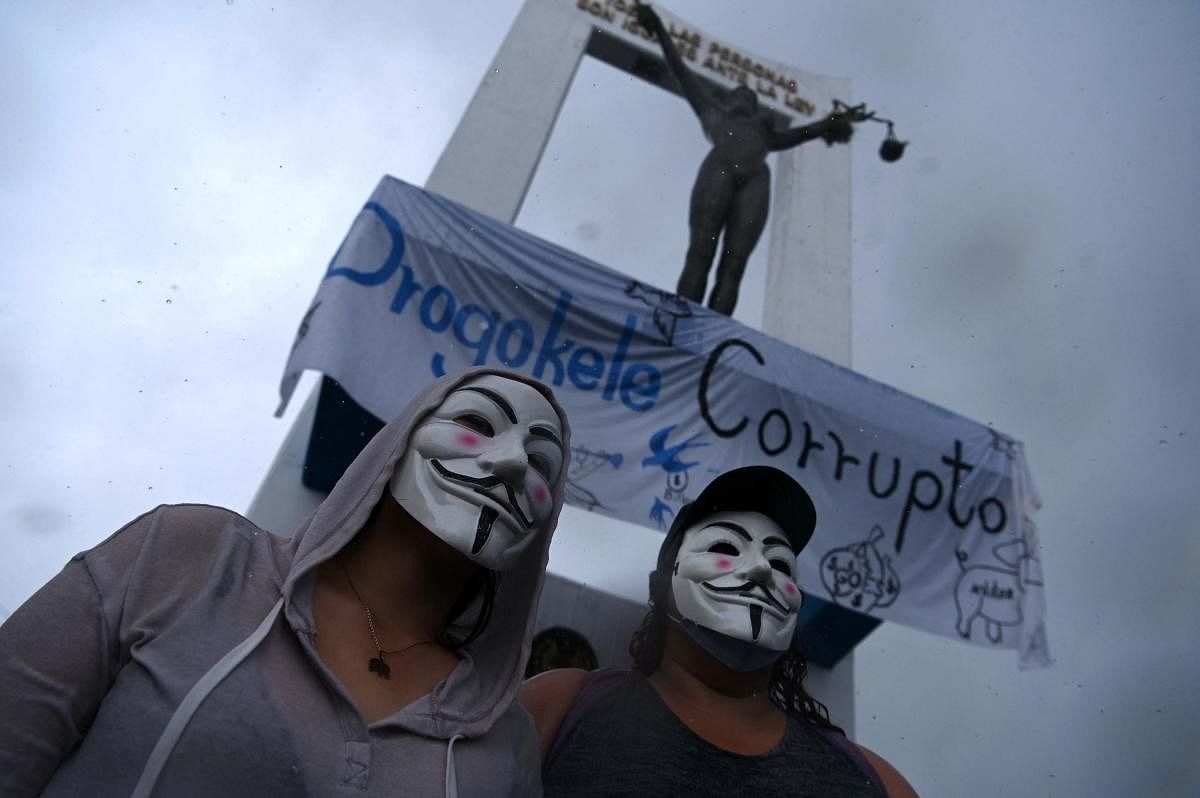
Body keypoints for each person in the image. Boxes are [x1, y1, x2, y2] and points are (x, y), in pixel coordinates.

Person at [0, 367, 570, 797]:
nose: (514, 462)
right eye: (475, 424)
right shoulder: (188, 557)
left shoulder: (506, 742)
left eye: (543, 463)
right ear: (397, 442)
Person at [521, 465, 919, 797]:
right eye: (726, 549)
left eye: (781, 564)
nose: (762, 570)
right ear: (664, 583)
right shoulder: (556, 708)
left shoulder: (881, 784)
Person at [635, 3, 859, 315]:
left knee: (735, 264)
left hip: (756, 180)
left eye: (750, 98)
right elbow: (681, 70)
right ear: (727, 99)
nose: (744, 97)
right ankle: (681, 317)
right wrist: (658, 29)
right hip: (720, 170)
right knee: (701, 250)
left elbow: (803, 134)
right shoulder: (711, 110)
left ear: (755, 108)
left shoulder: (764, 131)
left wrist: (832, 123)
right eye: (739, 93)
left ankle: (716, 329)